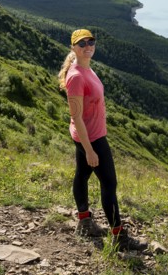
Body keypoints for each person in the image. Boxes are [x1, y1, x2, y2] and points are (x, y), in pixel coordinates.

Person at [58, 28, 147, 251]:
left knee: (83, 174)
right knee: (109, 184)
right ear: (73, 48)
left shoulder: (87, 68)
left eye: (91, 41)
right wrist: (89, 149)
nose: (88, 46)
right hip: (91, 137)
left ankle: (85, 220)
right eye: (82, 43)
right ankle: (119, 236)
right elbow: (76, 116)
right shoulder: (77, 77)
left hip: (87, 135)